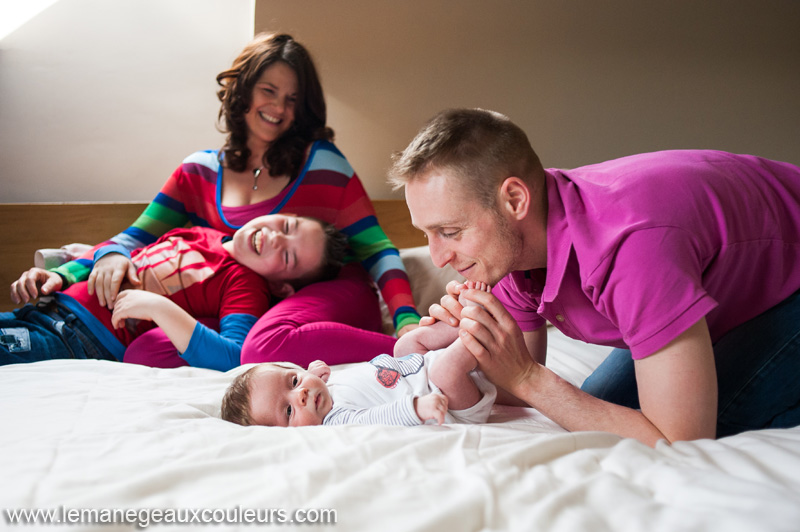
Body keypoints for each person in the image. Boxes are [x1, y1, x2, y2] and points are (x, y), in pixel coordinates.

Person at [387, 107, 800, 447]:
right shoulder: (516, 250)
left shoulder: (630, 249)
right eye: (428, 235)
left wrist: (529, 379)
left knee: (693, 428)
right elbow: (514, 387)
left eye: (451, 232)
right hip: (732, 281)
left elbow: (680, 440)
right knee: (603, 406)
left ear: (515, 200)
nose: (439, 258)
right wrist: (467, 343)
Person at [10, 33, 419, 369]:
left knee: (255, 347)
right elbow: (138, 237)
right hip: (226, 298)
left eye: (292, 99)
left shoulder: (323, 165)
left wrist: (405, 319)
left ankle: (411, 355)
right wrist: (89, 263)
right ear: (242, 91)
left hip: (318, 293)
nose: (279, 108)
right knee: (149, 347)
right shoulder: (199, 172)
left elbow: (377, 248)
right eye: (269, 91)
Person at [4, 214, 346, 371]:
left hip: (81, 339)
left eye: (287, 256)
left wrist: (158, 308)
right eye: (286, 227)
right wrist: (58, 276)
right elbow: (120, 259)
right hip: (48, 308)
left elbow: (235, 357)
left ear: (281, 286)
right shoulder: (199, 232)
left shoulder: (245, 285)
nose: (275, 238)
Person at [221, 282, 498, 427]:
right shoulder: (336, 419)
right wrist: (418, 408)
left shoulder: (323, 390)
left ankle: (464, 320)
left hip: (419, 369)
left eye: (293, 382)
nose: (301, 393)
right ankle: (481, 328)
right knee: (445, 371)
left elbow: (319, 384)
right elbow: (378, 417)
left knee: (403, 346)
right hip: (452, 403)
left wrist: (316, 375)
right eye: (289, 410)